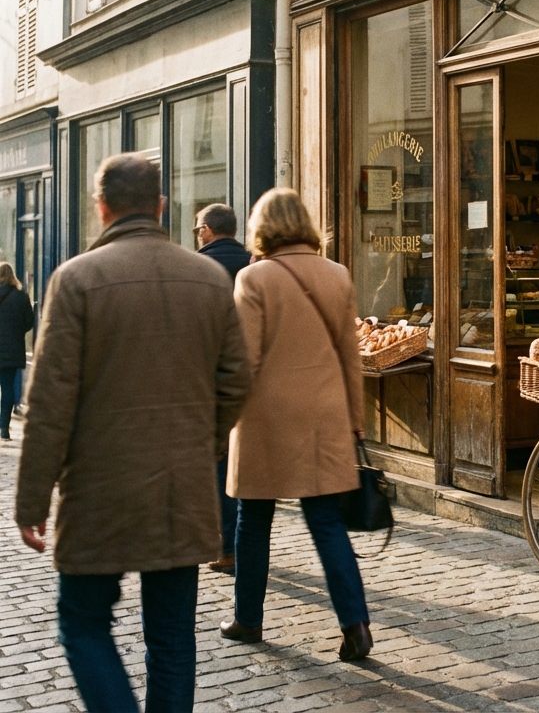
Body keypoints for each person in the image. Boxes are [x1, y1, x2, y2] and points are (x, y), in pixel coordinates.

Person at [15, 153, 252, 713]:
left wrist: (32, 499)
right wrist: (204, 441)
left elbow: (49, 404)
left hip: (101, 488)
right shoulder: (208, 278)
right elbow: (238, 380)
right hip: (180, 486)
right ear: (162, 206)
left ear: (101, 207)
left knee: (83, 623)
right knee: (171, 637)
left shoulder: (76, 280)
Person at [219, 187, 372, 661]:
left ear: (261, 229)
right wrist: (356, 420)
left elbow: (244, 360)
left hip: (265, 418)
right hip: (324, 414)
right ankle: (356, 626)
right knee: (327, 524)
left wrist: (221, 420)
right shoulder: (337, 274)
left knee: (253, 519)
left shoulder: (253, 277)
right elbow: (350, 356)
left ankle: (248, 618)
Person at [194, 203, 251, 575]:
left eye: (198, 228)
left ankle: (227, 547)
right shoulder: (253, 264)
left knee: (219, 465)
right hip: (251, 375)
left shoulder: (199, 268)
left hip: (211, 379)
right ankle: (243, 546)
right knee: (246, 465)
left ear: (206, 230)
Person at [0, 262, 34, 441]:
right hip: (11, 350)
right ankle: (3, 428)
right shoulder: (21, 297)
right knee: (7, 388)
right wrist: (17, 332)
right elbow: (29, 321)